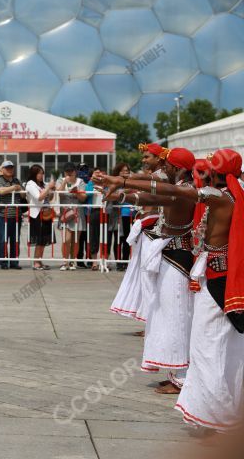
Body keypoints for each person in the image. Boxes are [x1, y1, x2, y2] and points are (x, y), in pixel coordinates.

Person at [98, 149, 244, 431]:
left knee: (208, 347)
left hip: (215, 279)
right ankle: (218, 412)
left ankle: (218, 416)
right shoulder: (227, 195)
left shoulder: (221, 197)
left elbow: (166, 190)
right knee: (217, 347)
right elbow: (160, 193)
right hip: (212, 274)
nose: (202, 174)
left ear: (219, 173)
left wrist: (123, 182)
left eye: (207, 170)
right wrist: (122, 188)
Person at [96, 148, 197, 394]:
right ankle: (175, 373)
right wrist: (120, 196)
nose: (164, 171)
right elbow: (153, 198)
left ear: (178, 168)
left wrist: (119, 181)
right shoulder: (177, 187)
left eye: (168, 166)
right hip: (170, 257)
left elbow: (160, 191)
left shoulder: (184, 190)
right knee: (165, 316)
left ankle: (182, 378)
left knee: (178, 318)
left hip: (178, 260)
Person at [0, 160, 24, 270]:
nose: (10, 170)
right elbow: (1, 191)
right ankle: (3, 262)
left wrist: (19, 189)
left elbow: (23, 196)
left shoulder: (17, 180)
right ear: (2, 170)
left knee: (16, 240)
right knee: (3, 239)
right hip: (3, 215)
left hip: (16, 215)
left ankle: (14, 262)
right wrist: (14, 188)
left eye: (11, 167)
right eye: (7, 168)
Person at [56, 162, 86, 270]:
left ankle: (73, 262)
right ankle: (65, 262)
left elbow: (83, 198)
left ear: (75, 171)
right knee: (66, 239)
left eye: (71, 171)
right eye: (67, 171)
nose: (69, 173)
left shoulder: (80, 182)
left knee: (75, 240)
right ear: (64, 172)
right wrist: (64, 182)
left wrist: (76, 191)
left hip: (78, 213)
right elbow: (58, 193)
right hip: (65, 213)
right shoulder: (60, 180)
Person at [25, 164, 55, 270]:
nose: (41, 175)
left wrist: (52, 190)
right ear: (34, 174)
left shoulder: (43, 184)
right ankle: (36, 262)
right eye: (39, 173)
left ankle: (40, 261)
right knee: (39, 239)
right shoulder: (30, 184)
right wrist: (48, 188)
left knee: (43, 240)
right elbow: (39, 197)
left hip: (46, 213)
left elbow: (49, 198)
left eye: (42, 173)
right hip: (37, 214)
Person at [105, 163, 133, 272]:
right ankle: (118, 262)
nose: (125, 172)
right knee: (116, 240)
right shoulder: (113, 182)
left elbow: (130, 191)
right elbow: (111, 195)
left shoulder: (130, 183)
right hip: (114, 215)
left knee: (126, 240)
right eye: (123, 170)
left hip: (127, 214)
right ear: (118, 172)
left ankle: (124, 262)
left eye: (127, 170)